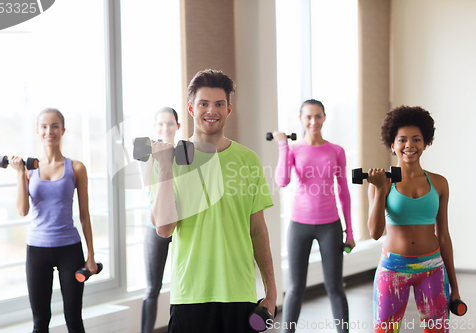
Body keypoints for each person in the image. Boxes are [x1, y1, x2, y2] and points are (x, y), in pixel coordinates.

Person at [150, 69, 277, 333]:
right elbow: (164, 229)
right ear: (190, 108)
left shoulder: (248, 160)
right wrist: (164, 168)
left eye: (219, 103)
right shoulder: (169, 160)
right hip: (190, 295)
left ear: (229, 109)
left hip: (239, 293)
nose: (212, 110)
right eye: (203, 103)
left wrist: (271, 293)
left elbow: (258, 230)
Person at [367, 106, 460, 332]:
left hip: (432, 268)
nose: (409, 145)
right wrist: (380, 190)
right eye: (402, 140)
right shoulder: (381, 183)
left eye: (416, 139)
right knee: (385, 330)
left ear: (425, 143)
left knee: (437, 330)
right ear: (392, 145)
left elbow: (444, 236)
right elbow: (375, 232)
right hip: (393, 268)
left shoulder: (439, 183)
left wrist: (454, 287)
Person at [10, 108, 97, 333]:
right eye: (45, 126)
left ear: (63, 130)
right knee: (40, 322)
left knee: (74, 319)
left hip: (70, 249)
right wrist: (20, 174)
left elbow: (85, 215)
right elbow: (22, 210)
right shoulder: (29, 171)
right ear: (38, 131)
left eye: (55, 126)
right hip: (37, 251)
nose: (50, 131)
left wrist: (91, 256)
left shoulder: (76, 168)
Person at [274, 99, 354, 333]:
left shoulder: (336, 151)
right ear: (301, 119)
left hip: (330, 225)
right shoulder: (293, 150)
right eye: (308, 117)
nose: (313, 122)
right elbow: (282, 181)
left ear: (324, 118)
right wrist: (282, 147)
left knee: (335, 287)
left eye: (318, 116)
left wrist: (349, 232)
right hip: (299, 226)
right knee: (296, 288)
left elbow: (344, 192)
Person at [141, 107, 180, 333]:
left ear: (178, 126)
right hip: (154, 227)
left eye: (170, 123)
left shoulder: (185, 152)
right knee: (152, 288)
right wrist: (155, 157)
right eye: (161, 124)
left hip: (181, 228)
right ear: (155, 128)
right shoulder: (148, 154)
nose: (165, 128)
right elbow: (147, 183)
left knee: (180, 286)